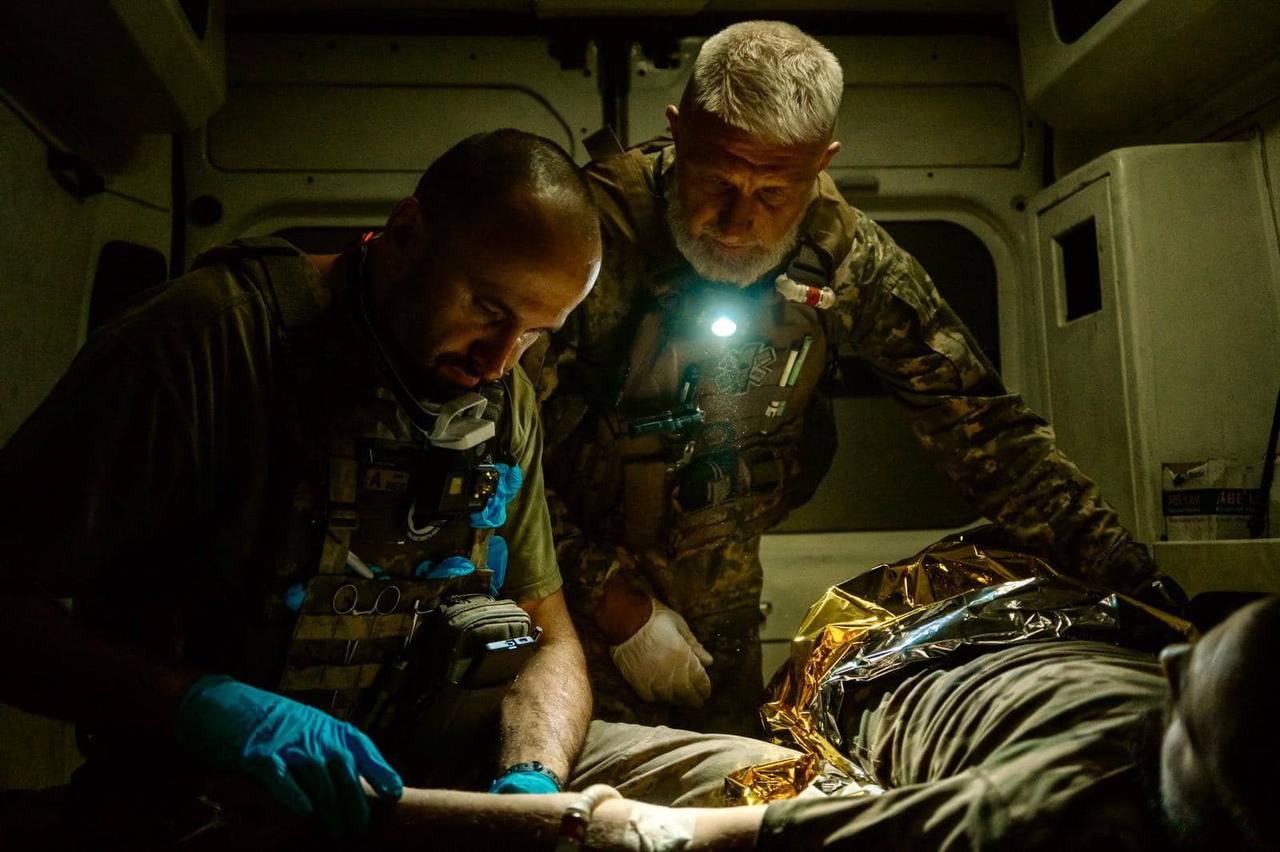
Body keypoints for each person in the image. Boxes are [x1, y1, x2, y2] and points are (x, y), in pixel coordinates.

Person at [0, 129, 791, 847]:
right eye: (488, 309)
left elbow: (547, 635)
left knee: (767, 788)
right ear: (406, 233)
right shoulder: (207, 343)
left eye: (534, 334)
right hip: (232, 787)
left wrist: (532, 781)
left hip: (447, 763)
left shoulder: (502, 397)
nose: (498, 360)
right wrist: (206, 708)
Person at [522, 20, 1166, 736]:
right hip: (555, 605)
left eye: (774, 193)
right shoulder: (586, 242)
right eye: (716, 182)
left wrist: (1138, 584)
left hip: (722, 611)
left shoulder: (848, 257)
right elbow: (494, 453)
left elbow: (989, 435)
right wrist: (610, 600)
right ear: (678, 132)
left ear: (821, 162)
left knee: (734, 779)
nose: (736, 223)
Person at [104, 593, 1274, 852]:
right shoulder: (1083, 791)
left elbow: (649, 837)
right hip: (927, 647)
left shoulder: (1065, 807)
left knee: (780, 779)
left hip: (941, 653)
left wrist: (513, 795)